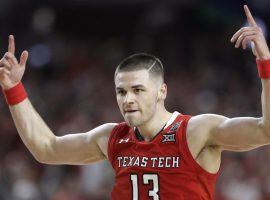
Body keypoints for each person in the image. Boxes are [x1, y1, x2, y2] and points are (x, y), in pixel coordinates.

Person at [0, 5, 270, 200]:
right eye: (121, 92)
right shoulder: (112, 137)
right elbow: (46, 149)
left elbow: (265, 130)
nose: (127, 99)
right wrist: (14, 89)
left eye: (138, 90)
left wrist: (265, 65)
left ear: (162, 91)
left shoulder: (197, 131)